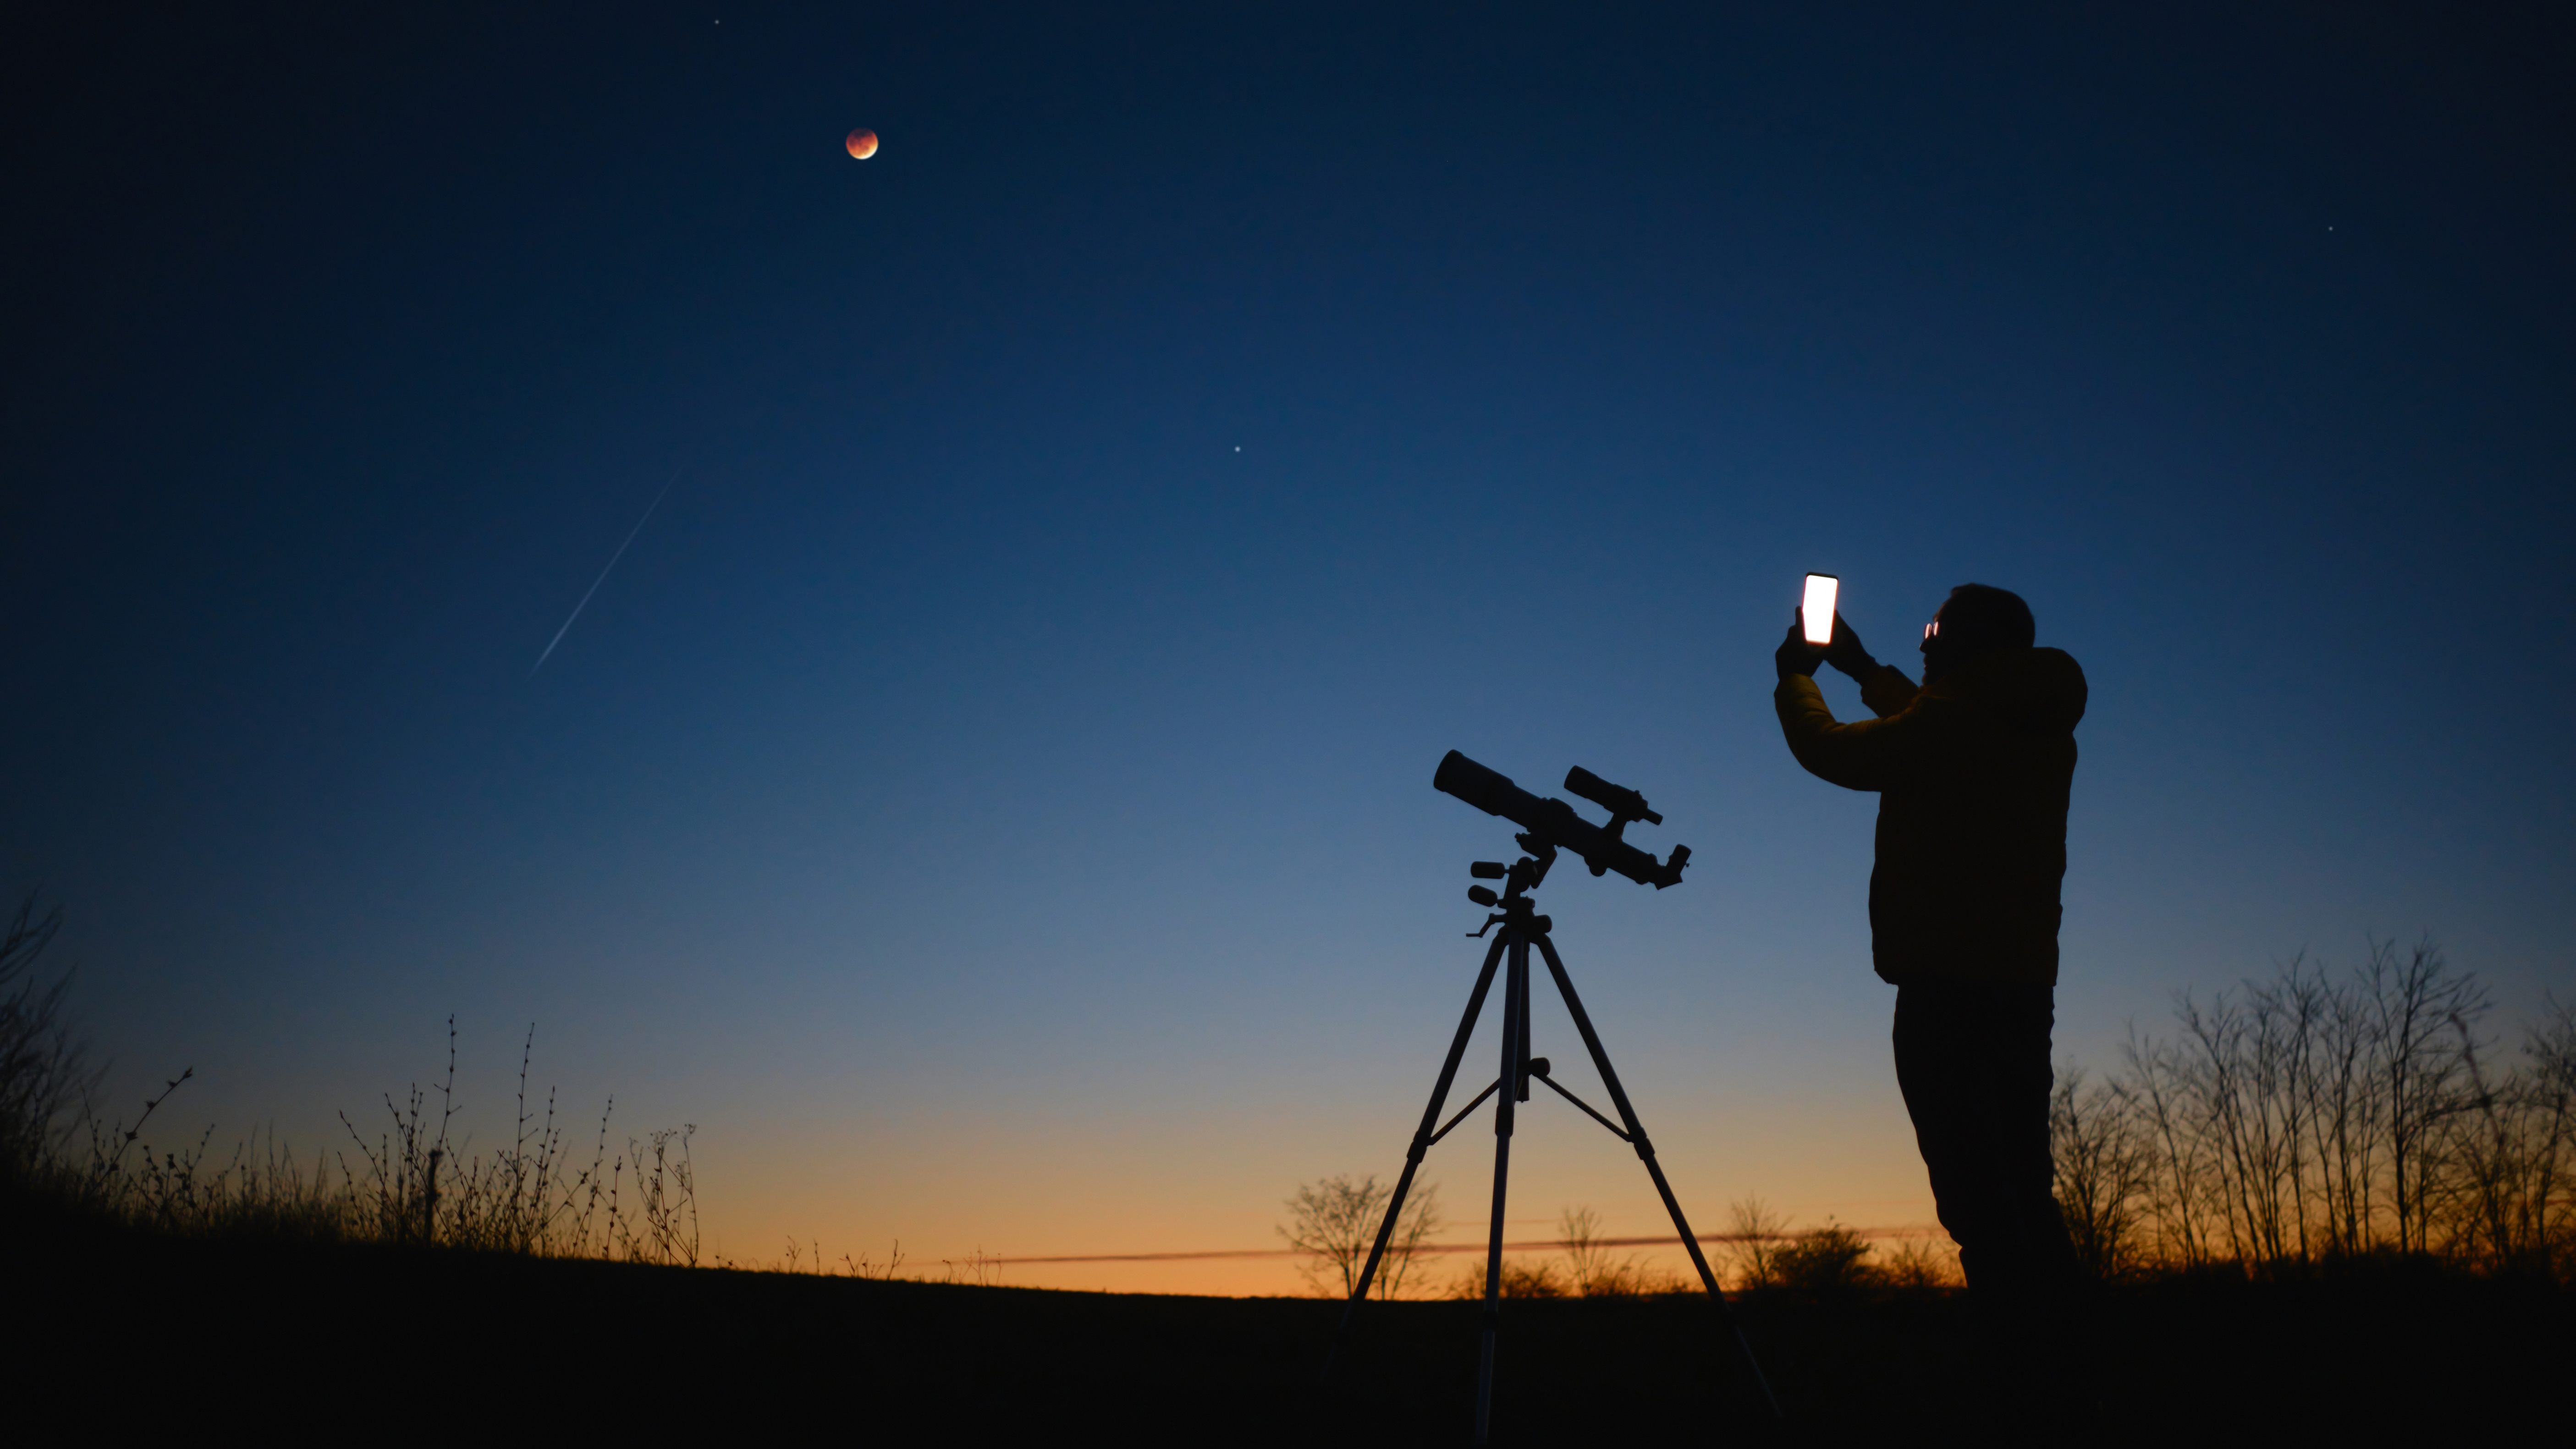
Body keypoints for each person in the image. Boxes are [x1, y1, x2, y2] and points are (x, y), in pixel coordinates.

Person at [1772, 582, 2094, 1433]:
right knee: (2026, 1194)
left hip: (1946, 990)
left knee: (1980, 1209)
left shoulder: (1953, 722)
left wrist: (1795, 678)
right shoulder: (2033, 716)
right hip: (2020, 987)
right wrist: (1862, 665)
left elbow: (1839, 754)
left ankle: (2023, 1403)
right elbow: (1938, 720)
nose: (1922, 641)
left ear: (1965, 643)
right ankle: (2076, 1386)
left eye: (1933, 629)